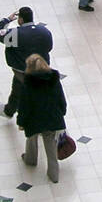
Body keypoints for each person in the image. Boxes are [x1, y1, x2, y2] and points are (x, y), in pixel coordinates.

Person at [0, 7, 55, 119]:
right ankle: (9, 110)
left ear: (20, 19)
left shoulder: (16, 34)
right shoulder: (44, 31)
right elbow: (49, 47)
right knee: (23, 89)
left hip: (22, 69)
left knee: (19, 89)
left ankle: (10, 111)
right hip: (41, 69)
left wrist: (7, 20)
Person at [17, 54, 67, 184]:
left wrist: (21, 122)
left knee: (31, 139)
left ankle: (30, 159)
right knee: (51, 147)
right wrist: (62, 112)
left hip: (34, 120)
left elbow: (24, 106)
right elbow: (61, 99)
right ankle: (54, 175)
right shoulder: (54, 80)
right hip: (52, 118)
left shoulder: (27, 84)